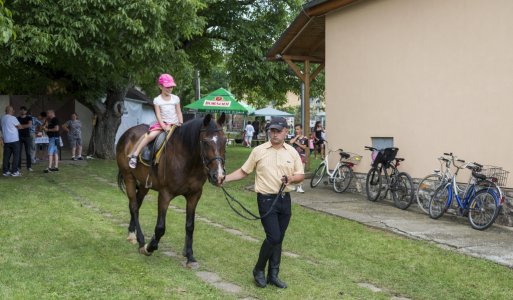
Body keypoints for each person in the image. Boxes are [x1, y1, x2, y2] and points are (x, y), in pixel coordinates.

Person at [224, 117, 305, 289]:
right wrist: (225, 179)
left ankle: (273, 274)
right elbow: (244, 171)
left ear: (285, 131)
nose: (274, 134)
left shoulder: (292, 151)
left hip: (285, 199)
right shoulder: (258, 151)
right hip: (266, 199)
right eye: (272, 131)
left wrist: (291, 178)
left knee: (279, 239)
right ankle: (259, 270)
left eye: (278, 131)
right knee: (273, 236)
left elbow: (301, 175)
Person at [129, 73, 183, 168]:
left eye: (171, 87)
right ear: (160, 86)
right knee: (151, 136)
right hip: (163, 124)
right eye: (167, 87)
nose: (170, 89)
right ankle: (135, 155)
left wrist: (181, 122)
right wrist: (164, 127)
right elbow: (158, 115)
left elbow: (179, 112)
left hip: (175, 124)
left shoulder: (175, 98)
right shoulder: (157, 100)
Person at [1, 106, 23, 176]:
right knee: (16, 156)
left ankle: (5, 171)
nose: (14, 112)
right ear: (11, 111)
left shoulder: (2, 118)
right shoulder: (13, 118)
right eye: (13, 110)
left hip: (6, 140)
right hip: (14, 140)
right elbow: (20, 126)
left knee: (6, 156)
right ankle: (15, 171)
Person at [289, 124, 308, 193]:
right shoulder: (293, 136)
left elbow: (304, 147)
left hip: (302, 156)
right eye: (295, 129)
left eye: (298, 129)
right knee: (293, 171)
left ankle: (300, 187)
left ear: (301, 129)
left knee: (301, 171)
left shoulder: (305, 138)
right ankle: (293, 186)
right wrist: (296, 137)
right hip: (293, 156)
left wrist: (297, 142)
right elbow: (291, 142)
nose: (296, 130)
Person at [17, 106, 33, 171]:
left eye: (24, 110)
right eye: (21, 110)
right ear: (20, 111)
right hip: (19, 137)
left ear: (26, 111)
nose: (23, 111)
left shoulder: (29, 117)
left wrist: (21, 126)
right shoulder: (17, 118)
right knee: (19, 152)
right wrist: (24, 126)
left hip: (27, 137)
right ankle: (18, 167)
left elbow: (29, 125)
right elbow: (16, 126)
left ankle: (29, 166)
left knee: (28, 152)